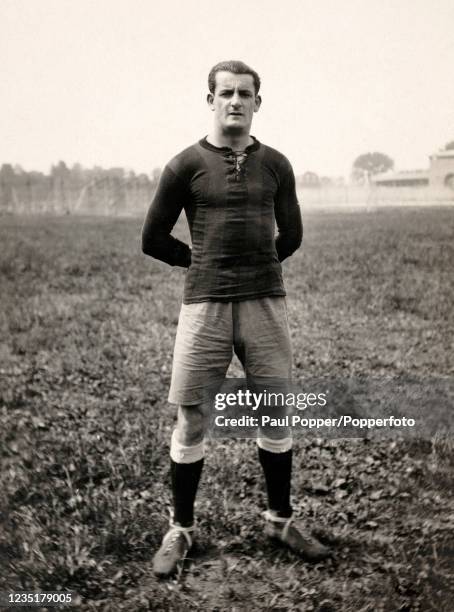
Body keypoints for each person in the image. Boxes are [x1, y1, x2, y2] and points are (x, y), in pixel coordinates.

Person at [142, 60, 330, 577]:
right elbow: (152, 239)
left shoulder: (277, 164)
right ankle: (180, 530)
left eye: (245, 94)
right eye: (225, 93)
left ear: (257, 103)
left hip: (264, 302)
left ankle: (279, 521)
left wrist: (256, 267)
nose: (235, 101)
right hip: (204, 304)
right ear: (210, 100)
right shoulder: (184, 165)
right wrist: (201, 263)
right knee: (193, 416)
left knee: (274, 411)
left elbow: (290, 237)